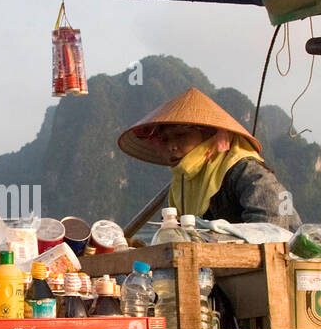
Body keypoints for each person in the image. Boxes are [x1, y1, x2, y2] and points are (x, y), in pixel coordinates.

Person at [117, 87, 302, 231]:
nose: (171, 146)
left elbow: (271, 229)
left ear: (209, 135)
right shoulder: (179, 186)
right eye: (164, 140)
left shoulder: (245, 171)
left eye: (181, 135)